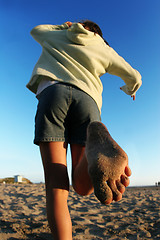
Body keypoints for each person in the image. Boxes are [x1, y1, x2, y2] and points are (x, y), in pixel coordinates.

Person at [27, 20, 142, 240]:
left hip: (53, 93)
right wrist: (131, 88)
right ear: (98, 34)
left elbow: (36, 31)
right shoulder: (103, 47)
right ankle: (93, 154)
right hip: (88, 101)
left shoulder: (59, 35)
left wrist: (63, 27)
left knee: (55, 184)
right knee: (83, 187)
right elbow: (134, 75)